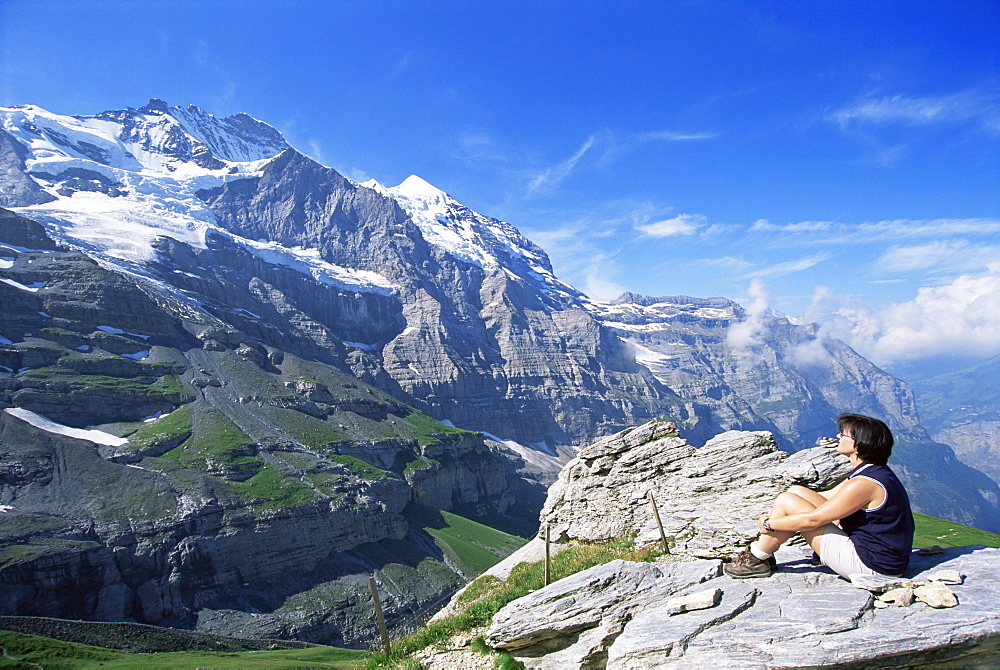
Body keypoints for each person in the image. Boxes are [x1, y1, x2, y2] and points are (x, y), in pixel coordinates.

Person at [724, 413, 914, 579]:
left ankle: (757, 557)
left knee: (786, 500)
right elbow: (829, 497)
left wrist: (769, 524)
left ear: (858, 446)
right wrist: (789, 507)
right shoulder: (874, 472)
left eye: (844, 434)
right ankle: (764, 553)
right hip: (880, 558)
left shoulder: (863, 484)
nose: (838, 436)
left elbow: (814, 520)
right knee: (795, 492)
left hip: (873, 566)